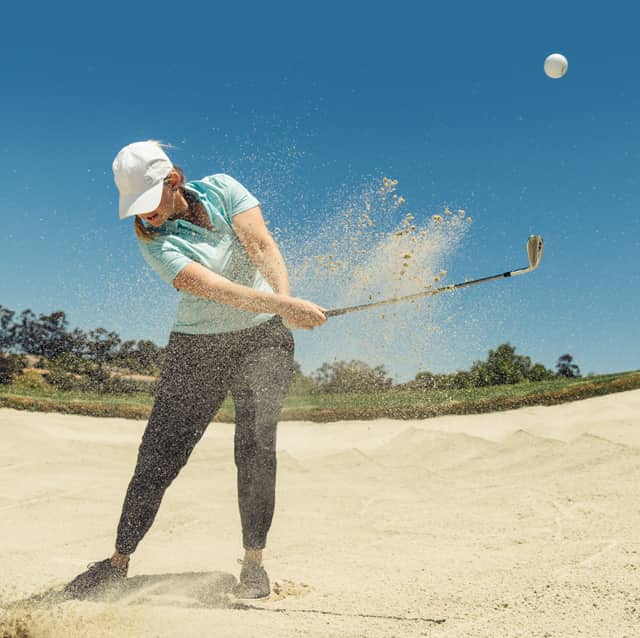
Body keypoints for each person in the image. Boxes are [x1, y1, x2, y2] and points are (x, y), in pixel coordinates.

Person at [64, 140, 326, 600]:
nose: (145, 216)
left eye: (149, 203)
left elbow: (261, 245)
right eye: (136, 208)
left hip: (263, 337)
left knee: (257, 444)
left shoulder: (224, 189)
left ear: (173, 181)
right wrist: (286, 304)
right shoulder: (154, 242)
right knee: (160, 455)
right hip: (197, 347)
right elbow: (215, 289)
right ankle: (117, 561)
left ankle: (254, 565)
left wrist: (283, 309)